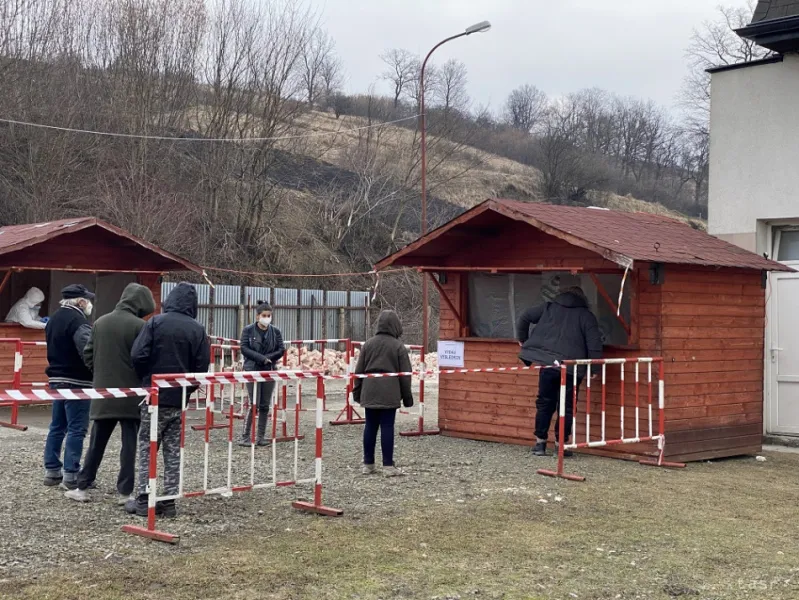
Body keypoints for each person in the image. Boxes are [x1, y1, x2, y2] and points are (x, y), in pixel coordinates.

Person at [64, 283, 156, 505]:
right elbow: (145, 358)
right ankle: (125, 493)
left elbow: (88, 354)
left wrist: (101, 375)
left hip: (103, 392)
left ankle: (82, 487)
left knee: (96, 442)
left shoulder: (100, 322)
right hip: (131, 395)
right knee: (129, 446)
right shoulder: (140, 326)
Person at [128, 282, 210, 518]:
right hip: (179, 399)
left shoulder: (155, 322)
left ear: (170, 300)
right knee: (173, 451)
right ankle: (169, 501)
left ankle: (144, 499)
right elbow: (200, 369)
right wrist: (187, 390)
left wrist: (146, 379)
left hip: (154, 396)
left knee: (147, 447)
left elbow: (138, 354)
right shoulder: (197, 329)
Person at [516, 286, 603, 457]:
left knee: (544, 403)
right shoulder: (586, 316)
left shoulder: (548, 308)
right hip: (572, 368)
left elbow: (524, 317)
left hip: (548, 365)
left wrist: (523, 339)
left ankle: (540, 444)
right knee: (567, 406)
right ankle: (560, 446)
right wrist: (594, 368)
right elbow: (594, 343)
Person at [42, 284, 95, 489]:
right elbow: (86, 350)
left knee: (57, 426)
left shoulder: (53, 319)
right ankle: (71, 474)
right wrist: (96, 370)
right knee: (77, 429)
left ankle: (52, 470)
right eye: (88, 300)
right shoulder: (78, 321)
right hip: (78, 380)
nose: (89, 303)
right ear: (80, 302)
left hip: (56, 378)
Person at [352, 310, 413, 477]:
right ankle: (388, 466)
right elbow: (405, 374)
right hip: (389, 391)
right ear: (396, 326)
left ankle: (368, 464)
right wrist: (407, 397)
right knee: (387, 426)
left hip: (369, 389)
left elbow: (359, 371)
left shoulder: (368, 344)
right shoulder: (398, 346)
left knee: (370, 426)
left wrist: (357, 392)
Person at [238, 301, 285, 447]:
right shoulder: (248, 330)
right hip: (252, 369)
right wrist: (261, 358)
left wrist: (269, 358)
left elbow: (281, 349)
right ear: (258, 316)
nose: (267, 318)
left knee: (265, 404)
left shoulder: (275, 331)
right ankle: (245, 436)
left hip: (269, 369)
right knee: (254, 403)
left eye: (269, 315)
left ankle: (261, 436)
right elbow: (244, 348)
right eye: (264, 315)